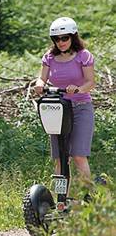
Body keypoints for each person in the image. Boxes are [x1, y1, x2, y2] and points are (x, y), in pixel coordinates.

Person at [34, 16, 95, 179]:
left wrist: (78, 89)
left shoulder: (84, 56)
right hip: (57, 110)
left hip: (81, 107)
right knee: (60, 158)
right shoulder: (49, 57)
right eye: (56, 39)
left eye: (64, 38)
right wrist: (39, 84)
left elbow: (90, 82)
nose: (60, 42)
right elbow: (42, 78)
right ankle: (62, 201)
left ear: (73, 36)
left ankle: (87, 195)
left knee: (78, 155)